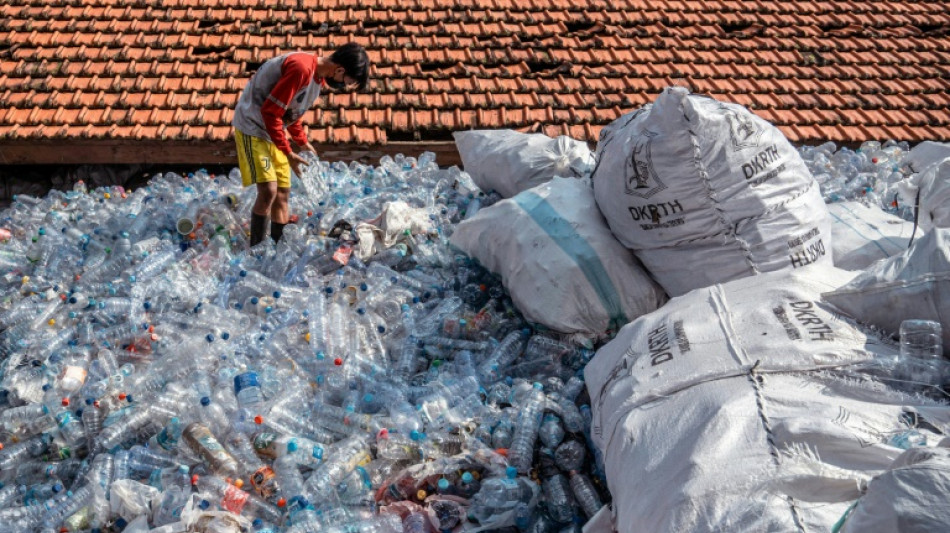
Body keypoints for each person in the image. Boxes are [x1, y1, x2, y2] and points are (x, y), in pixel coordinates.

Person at [232, 43, 369, 247]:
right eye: (346, 81)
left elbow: (291, 114)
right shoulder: (301, 68)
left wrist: (302, 141)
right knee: (268, 190)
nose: (343, 85)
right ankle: (256, 250)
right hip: (253, 125)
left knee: (283, 193)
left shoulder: (317, 80)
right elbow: (270, 112)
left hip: (272, 131)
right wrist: (288, 152)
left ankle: (278, 251)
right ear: (340, 70)